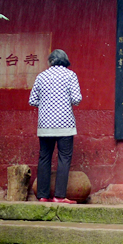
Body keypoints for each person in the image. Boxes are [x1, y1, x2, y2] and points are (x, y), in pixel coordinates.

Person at [29, 49, 82, 203]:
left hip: (45, 124)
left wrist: (47, 104)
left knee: (44, 157)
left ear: (50, 61)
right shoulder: (70, 75)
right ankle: (59, 196)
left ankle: (42, 196)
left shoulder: (41, 76)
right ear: (65, 60)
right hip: (65, 123)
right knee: (64, 158)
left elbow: (32, 100)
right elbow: (76, 99)